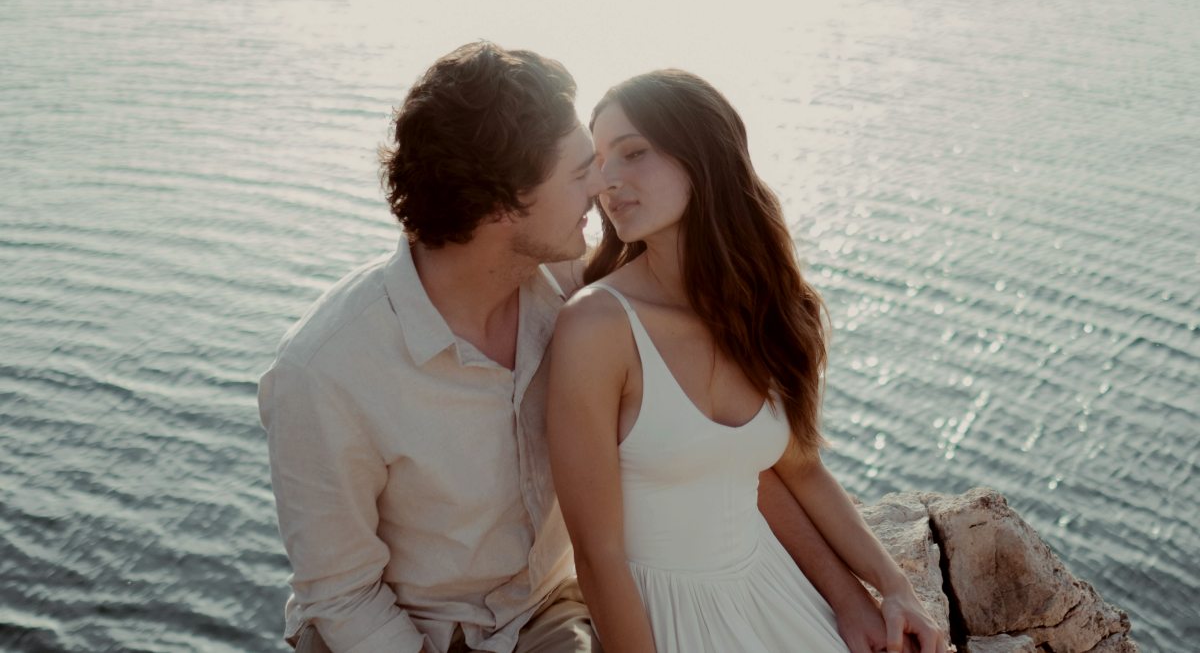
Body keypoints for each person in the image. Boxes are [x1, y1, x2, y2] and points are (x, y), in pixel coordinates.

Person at [260, 41, 901, 653]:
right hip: (401, 632)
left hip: (539, 618)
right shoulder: (324, 372)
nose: (602, 186)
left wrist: (855, 596)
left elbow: (734, 460)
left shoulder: (578, 290)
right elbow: (343, 598)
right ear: (502, 206)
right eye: (580, 171)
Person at [546, 69, 948, 653]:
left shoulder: (764, 309)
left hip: (772, 591)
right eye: (600, 160)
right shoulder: (598, 325)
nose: (606, 181)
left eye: (633, 153)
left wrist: (889, 589)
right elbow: (597, 552)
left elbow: (800, 469)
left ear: (703, 155)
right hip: (658, 615)